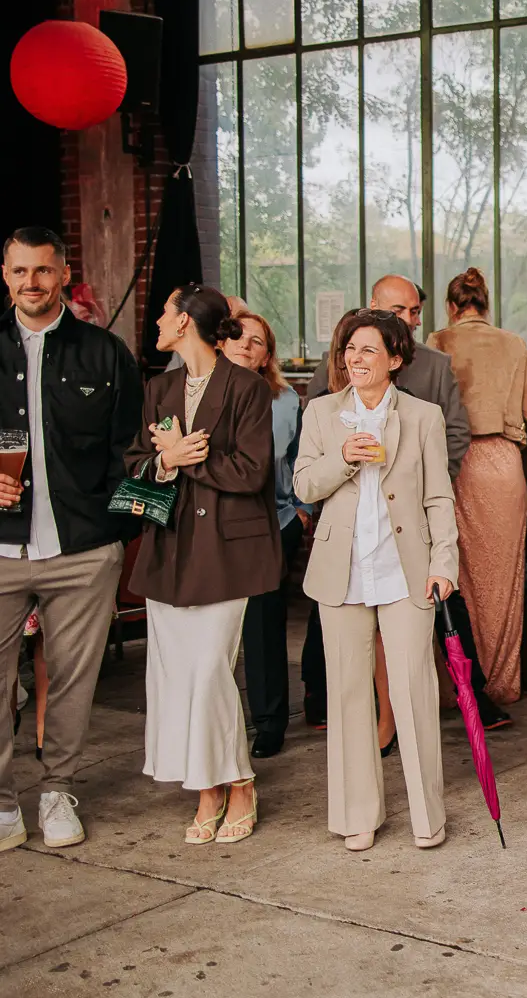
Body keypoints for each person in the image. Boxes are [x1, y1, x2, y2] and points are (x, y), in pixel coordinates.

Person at [302, 274, 500, 733]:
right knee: (332, 618)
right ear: (372, 307)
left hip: (412, 528)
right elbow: (310, 453)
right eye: (397, 311)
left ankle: (471, 697)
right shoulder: (336, 366)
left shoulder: (433, 365)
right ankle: (320, 696)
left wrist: (424, 479)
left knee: (440, 612)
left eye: (414, 312)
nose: (408, 320)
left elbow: (452, 431)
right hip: (348, 527)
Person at [295, 308, 459, 852]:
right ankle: (356, 815)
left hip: (406, 570)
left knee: (414, 691)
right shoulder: (320, 413)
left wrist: (444, 565)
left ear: (395, 359)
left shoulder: (423, 416)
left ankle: (426, 818)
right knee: (347, 696)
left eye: (369, 350)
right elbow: (303, 487)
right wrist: (343, 458)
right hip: (341, 572)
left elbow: (438, 496)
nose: (355, 359)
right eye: (350, 349)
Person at [0, 227, 141, 854]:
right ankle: (3, 804)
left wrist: (115, 532)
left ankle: (58, 790)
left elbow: (133, 451)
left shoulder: (106, 354)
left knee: (73, 682)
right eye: (20, 271)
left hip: (82, 552)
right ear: (4, 275)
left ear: (63, 275)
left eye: (43, 271)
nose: (32, 282)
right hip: (0, 554)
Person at [128, 284, 281, 846]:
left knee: (211, 670)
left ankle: (239, 781)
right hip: (169, 551)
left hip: (229, 551)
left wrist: (193, 458)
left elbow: (251, 472)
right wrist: (166, 459)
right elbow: (135, 464)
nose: (159, 322)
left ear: (186, 321)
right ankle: (206, 788)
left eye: (167, 313)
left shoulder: (247, 388)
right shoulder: (158, 387)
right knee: (175, 673)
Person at [428, 267, 527, 707]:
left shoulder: (437, 342)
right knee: (502, 579)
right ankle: (500, 682)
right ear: (485, 304)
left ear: (451, 306)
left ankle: (454, 684)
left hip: (453, 463)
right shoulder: (514, 343)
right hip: (502, 464)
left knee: (450, 573)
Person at [221, 312, 313, 759]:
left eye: (257, 341)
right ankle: (215, 727)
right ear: (221, 341)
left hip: (273, 525)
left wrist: (302, 509)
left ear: (266, 357)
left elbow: (299, 458)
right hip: (213, 532)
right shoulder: (197, 392)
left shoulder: (285, 400)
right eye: (238, 335)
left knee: (263, 629)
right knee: (216, 630)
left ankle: (270, 722)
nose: (245, 345)